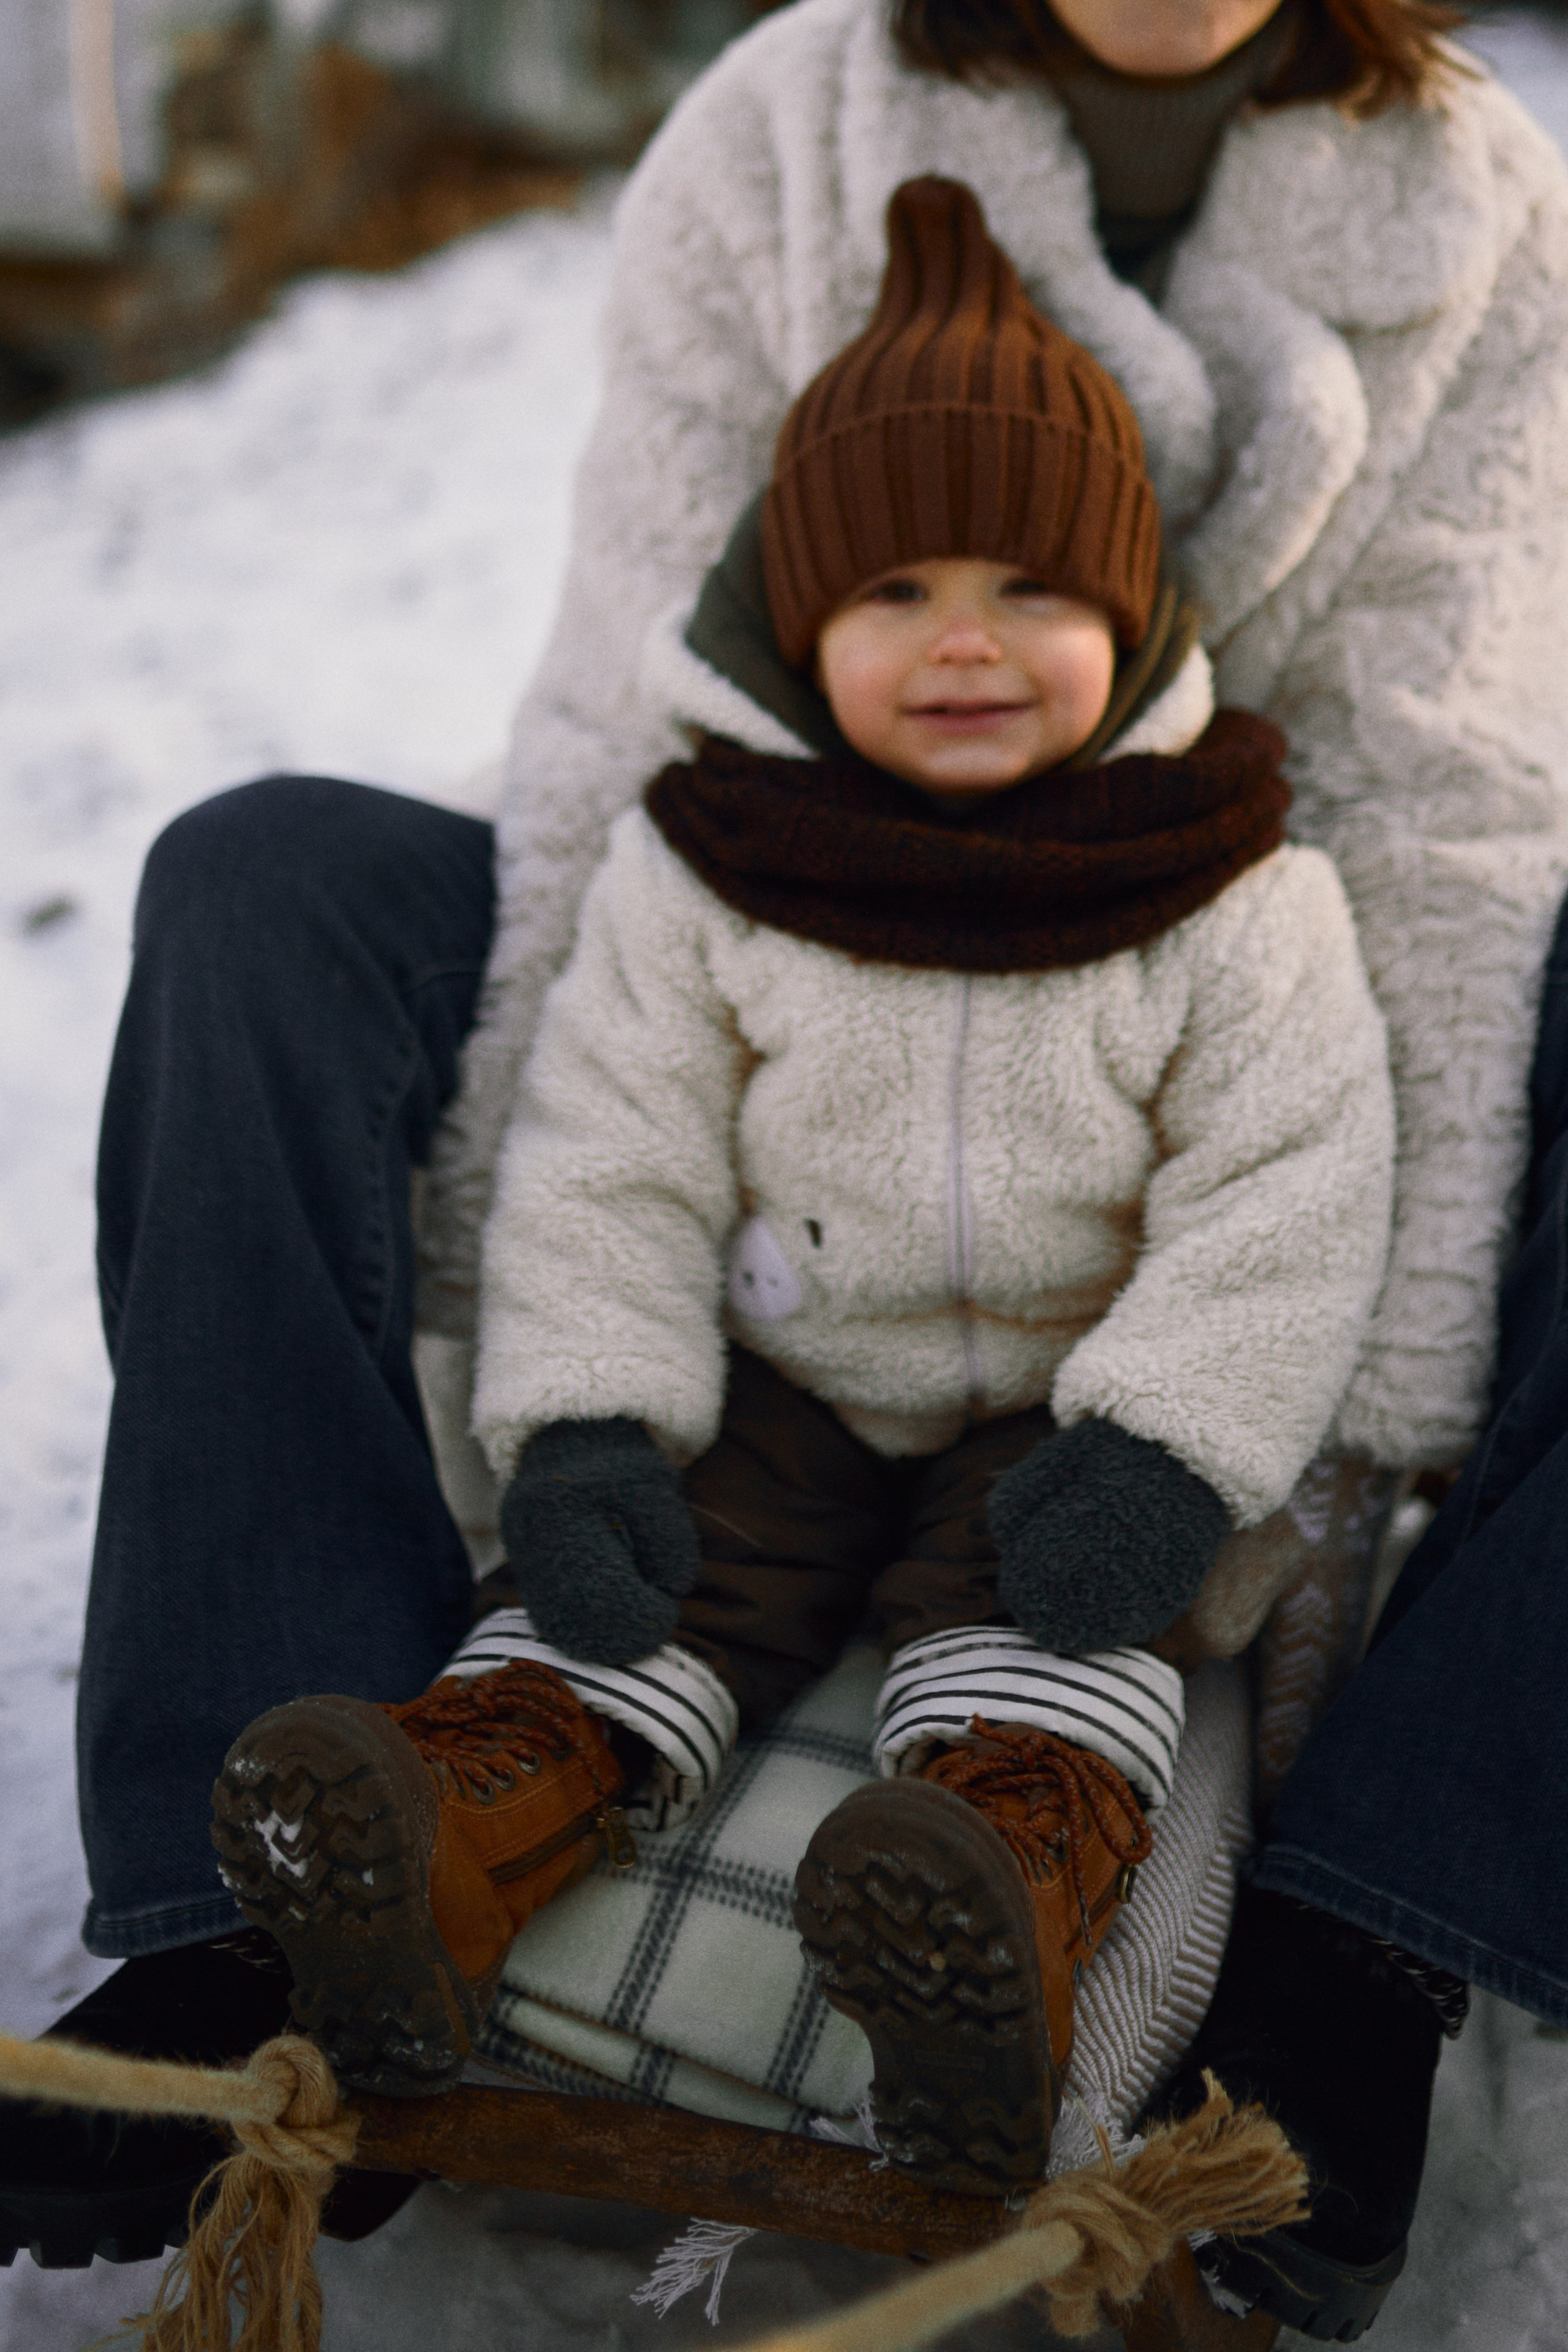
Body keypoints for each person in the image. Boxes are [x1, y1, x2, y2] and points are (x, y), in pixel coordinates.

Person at [4, 0, 1567, 2338]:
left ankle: (1365, 1944)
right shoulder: (788, 128)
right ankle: (267, 1898)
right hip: (766, 984)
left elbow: (1438, 813)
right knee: (268, 884)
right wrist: (595, 1381)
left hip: (1229, 1018)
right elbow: (636, 726)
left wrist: (1308, 1441)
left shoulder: (1480, 209)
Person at [208, 176, 1395, 2203]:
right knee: (650, 1575)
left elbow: (1286, 1194)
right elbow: (616, 1155)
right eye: (895, 595)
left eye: (1031, 590)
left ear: (1133, 619)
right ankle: (450, 1852)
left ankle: (988, 1902)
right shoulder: (715, 866)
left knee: (1039, 1625)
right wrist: (584, 1419)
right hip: (781, 1370)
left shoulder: (1231, 890)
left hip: (1067, 1402)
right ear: (796, 623)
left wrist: (1170, 1455)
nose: (965, 643)